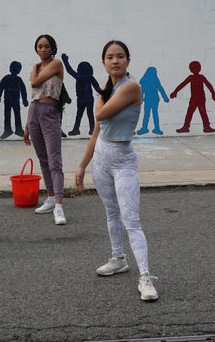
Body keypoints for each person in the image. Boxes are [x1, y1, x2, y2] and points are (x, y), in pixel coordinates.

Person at [75, 40, 158, 302]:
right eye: (110, 57)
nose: (115, 61)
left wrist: (100, 97)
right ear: (103, 62)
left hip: (123, 162)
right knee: (111, 213)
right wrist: (82, 166)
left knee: (131, 220)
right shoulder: (106, 89)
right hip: (101, 159)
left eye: (120, 56)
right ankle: (118, 258)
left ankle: (145, 277)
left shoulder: (131, 87)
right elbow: (96, 133)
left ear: (128, 61)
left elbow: (100, 115)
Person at [23, 34, 66, 225]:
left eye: (46, 46)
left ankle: (58, 205)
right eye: (39, 46)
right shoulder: (37, 67)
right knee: (43, 159)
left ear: (52, 48)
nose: (43, 49)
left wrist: (34, 68)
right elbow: (33, 95)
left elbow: (34, 83)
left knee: (54, 160)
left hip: (49, 112)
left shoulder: (56, 64)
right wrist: (27, 127)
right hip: (34, 111)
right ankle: (50, 197)